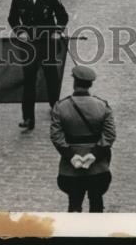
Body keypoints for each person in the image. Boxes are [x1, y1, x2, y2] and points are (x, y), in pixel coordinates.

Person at [7, 0, 69, 131]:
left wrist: (58, 31)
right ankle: (28, 118)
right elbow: (12, 18)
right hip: (29, 47)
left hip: (47, 43)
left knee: (51, 78)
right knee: (29, 81)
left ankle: (55, 108)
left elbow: (62, 16)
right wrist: (20, 32)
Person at [50, 64, 116, 213]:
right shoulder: (102, 106)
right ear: (90, 84)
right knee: (97, 203)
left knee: (74, 204)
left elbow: (56, 136)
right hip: (98, 167)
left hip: (71, 168)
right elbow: (109, 134)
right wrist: (94, 155)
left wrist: (71, 156)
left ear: (74, 83)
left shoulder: (60, 107)